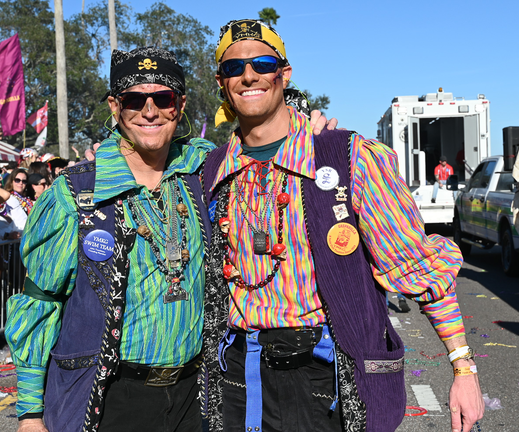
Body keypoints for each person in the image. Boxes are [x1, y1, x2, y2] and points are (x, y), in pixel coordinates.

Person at [4, 46, 331, 432]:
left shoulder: (205, 172)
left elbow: (265, 151)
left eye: (163, 98)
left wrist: (308, 141)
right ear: (114, 106)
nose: (149, 111)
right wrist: (29, 414)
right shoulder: (73, 194)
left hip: (196, 399)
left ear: (180, 105)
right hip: (108, 398)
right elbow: (40, 302)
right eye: (134, 99)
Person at [200, 19, 483, 432]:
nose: (248, 76)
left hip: (324, 380)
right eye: (233, 68)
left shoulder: (348, 158)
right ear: (221, 82)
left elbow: (416, 266)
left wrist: (462, 368)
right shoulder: (211, 171)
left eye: (262, 63)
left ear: (284, 73)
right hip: (238, 380)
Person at [1, 168, 33, 235]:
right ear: (11, 181)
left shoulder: (27, 199)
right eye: (17, 180)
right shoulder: (9, 198)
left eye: (24, 181)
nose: (21, 183)